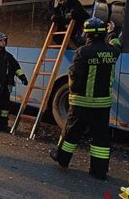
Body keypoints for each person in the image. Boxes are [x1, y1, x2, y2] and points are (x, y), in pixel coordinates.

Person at [49, 18, 122, 180]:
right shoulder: (113, 52)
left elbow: (75, 77)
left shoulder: (83, 52)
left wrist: (73, 92)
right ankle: (99, 170)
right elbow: (117, 44)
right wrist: (112, 34)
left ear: (87, 34)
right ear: (103, 33)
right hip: (103, 104)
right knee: (101, 137)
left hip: (82, 102)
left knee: (71, 133)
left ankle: (62, 158)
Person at [0, 32, 29, 132]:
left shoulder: (9, 56)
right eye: (1, 41)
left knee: (5, 107)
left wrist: (23, 77)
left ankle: (3, 125)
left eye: (4, 40)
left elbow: (17, 68)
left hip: (6, 87)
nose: (3, 42)